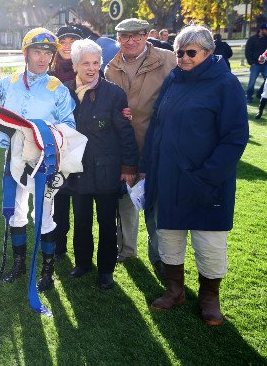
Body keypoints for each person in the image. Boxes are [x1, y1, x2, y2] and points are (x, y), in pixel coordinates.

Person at [141, 25, 248, 325]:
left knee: (209, 243)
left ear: (209, 52)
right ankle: (174, 290)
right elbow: (157, 125)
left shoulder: (225, 84)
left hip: (208, 181)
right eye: (179, 53)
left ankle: (209, 298)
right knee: (169, 237)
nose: (184, 59)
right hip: (170, 177)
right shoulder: (174, 78)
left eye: (191, 53)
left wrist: (208, 176)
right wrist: (148, 166)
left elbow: (235, 137)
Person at [0, 27, 76, 292]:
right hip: (13, 158)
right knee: (15, 212)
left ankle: (48, 270)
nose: (42, 58)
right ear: (26, 54)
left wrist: (46, 136)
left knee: (44, 215)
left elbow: (69, 126)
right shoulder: (9, 82)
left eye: (47, 53)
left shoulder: (58, 89)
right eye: (37, 52)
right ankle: (19, 265)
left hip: (44, 162)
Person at [104, 18, 176, 279]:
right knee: (126, 201)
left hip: (158, 145)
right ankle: (127, 250)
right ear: (118, 39)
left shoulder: (168, 60)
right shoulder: (111, 68)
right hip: (124, 147)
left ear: (147, 36)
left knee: (156, 206)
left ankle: (160, 258)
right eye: (125, 36)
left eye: (137, 35)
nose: (131, 41)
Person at [64, 39, 138, 289]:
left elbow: (126, 134)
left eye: (96, 63)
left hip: (107, 170)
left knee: (107, 223)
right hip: (77, 170)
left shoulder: (114, 93)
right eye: (86, 63)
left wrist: (128, 167)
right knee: (81, 221)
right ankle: (83, 263)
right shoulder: (64, 93)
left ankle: (106, 270)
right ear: (75, 65)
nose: (91, 68)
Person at [47, 25, 81, 262]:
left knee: (81, 200)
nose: (67, 46)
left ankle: (82, 252)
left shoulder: (88, 69)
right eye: (63, 41)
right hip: (54, 143)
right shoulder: (48, 73)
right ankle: (58, 246)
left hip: (81, 141)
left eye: (72, 41)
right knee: (57, 196)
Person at [244, 23, 267, 103]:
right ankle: (248, 97)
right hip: (255, 64)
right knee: (252, 82)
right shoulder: (252, 39)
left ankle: (260, 93)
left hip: (265, 64)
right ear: (261, 30)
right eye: (266, 30)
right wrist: (251, 62)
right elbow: (247, 51)